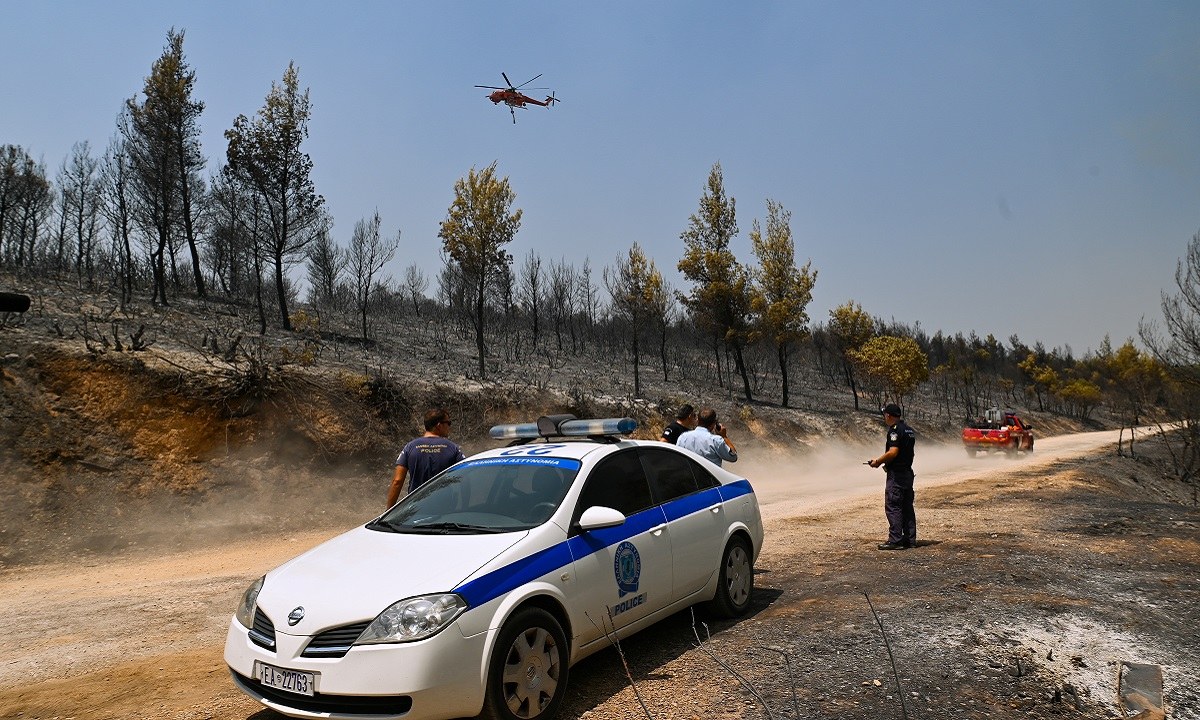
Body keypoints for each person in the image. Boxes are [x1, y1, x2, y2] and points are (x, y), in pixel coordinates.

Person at [386, 408, 465, 508]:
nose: (449, 426)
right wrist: (465, 506)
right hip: (445, 507)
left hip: (416, 507)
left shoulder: (410, 447)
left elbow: (397, 481)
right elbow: (465, 477)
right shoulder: (453, 448)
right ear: (439, 425)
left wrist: (388, 511)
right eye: (448, 423)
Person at [867, 403, 917, 550]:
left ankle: (895, 540)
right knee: (907, 507)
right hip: (907, 472)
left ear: (888, 415)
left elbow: (893, 452)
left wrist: (878, 462)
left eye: (885, 415)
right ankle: (910, 539)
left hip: (897, 474)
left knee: (894, 506)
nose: (884, 417)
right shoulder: (909, 430)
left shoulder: (894, 431)